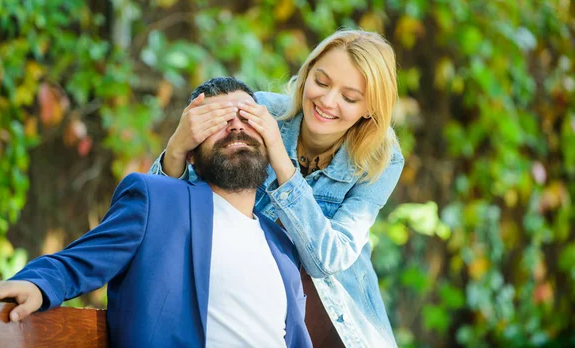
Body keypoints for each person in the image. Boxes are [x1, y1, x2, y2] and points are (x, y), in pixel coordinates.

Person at [0, 77, 312, 348]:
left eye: (248, 117)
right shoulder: (158, 200)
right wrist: (36, 285)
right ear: (191, 152)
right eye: (216, 121)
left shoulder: (281, 241)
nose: (235, 127)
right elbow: (77, 261)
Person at [150, 29, 404, 347]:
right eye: (321, 82)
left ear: (371, 108)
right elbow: (160, 216)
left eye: (349, 97)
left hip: (339, 322)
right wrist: (176, 149)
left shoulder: (381, 159)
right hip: (249, 308)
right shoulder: (257, 111)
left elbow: (327, 260)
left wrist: (281, 160)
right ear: (307, 73)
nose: (327, 101)